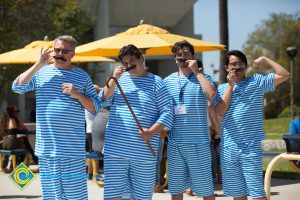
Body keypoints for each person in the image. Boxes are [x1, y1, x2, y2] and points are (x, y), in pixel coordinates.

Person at [12, 35, 101, 199]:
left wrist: (77, 94)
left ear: (73, 54)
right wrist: (38, 64)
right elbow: (17, 87)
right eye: (57, 49)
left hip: (72, 150)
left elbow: (95, 107)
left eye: (64, 51)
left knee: (75, 196)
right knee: (52, 196)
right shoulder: (41, 73)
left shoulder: (82, 76)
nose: (59, 54)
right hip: (47, 150)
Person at [100, 44, 173, 200]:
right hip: (115, 151)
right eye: (125, 63)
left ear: (141, 58)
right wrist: (114, 79)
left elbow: (168, 112)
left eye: (132, 61)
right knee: (113, 196)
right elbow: (102, 101)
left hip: (143, 153)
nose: (129, 66)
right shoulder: (117, 80)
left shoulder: (156, 82)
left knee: (141, 196)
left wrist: (151, 132)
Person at [215, 50, 290, 200]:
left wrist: (265, 58)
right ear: (226, 68)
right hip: (228, 148)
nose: (237, 67)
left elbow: (284, 75)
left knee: (257, 193)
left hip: (250, 147)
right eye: (233, 64)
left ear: (246, 66)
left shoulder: (257, 82)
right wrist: (230, 86)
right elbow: (220, 111)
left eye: (240, 64)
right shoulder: (222, 88)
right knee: (237, 194)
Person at [164, 41, 218, 200]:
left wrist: (197, 72)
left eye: (186, 54)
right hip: (175, 144)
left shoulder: (203, 78)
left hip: (199, 143)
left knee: (206, 190)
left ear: (193, 57)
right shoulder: (167, 81)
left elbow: (212, 95)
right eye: (179, 55)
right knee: (176, 190)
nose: (182, 57)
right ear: (175, 58)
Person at [85, 84, 101, 180]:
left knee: (90, 153)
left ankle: (90, 174)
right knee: (96, 154)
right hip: (95, 131)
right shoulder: (96, 103)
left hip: (88, 131)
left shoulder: (86, 103)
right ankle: (96, 174)